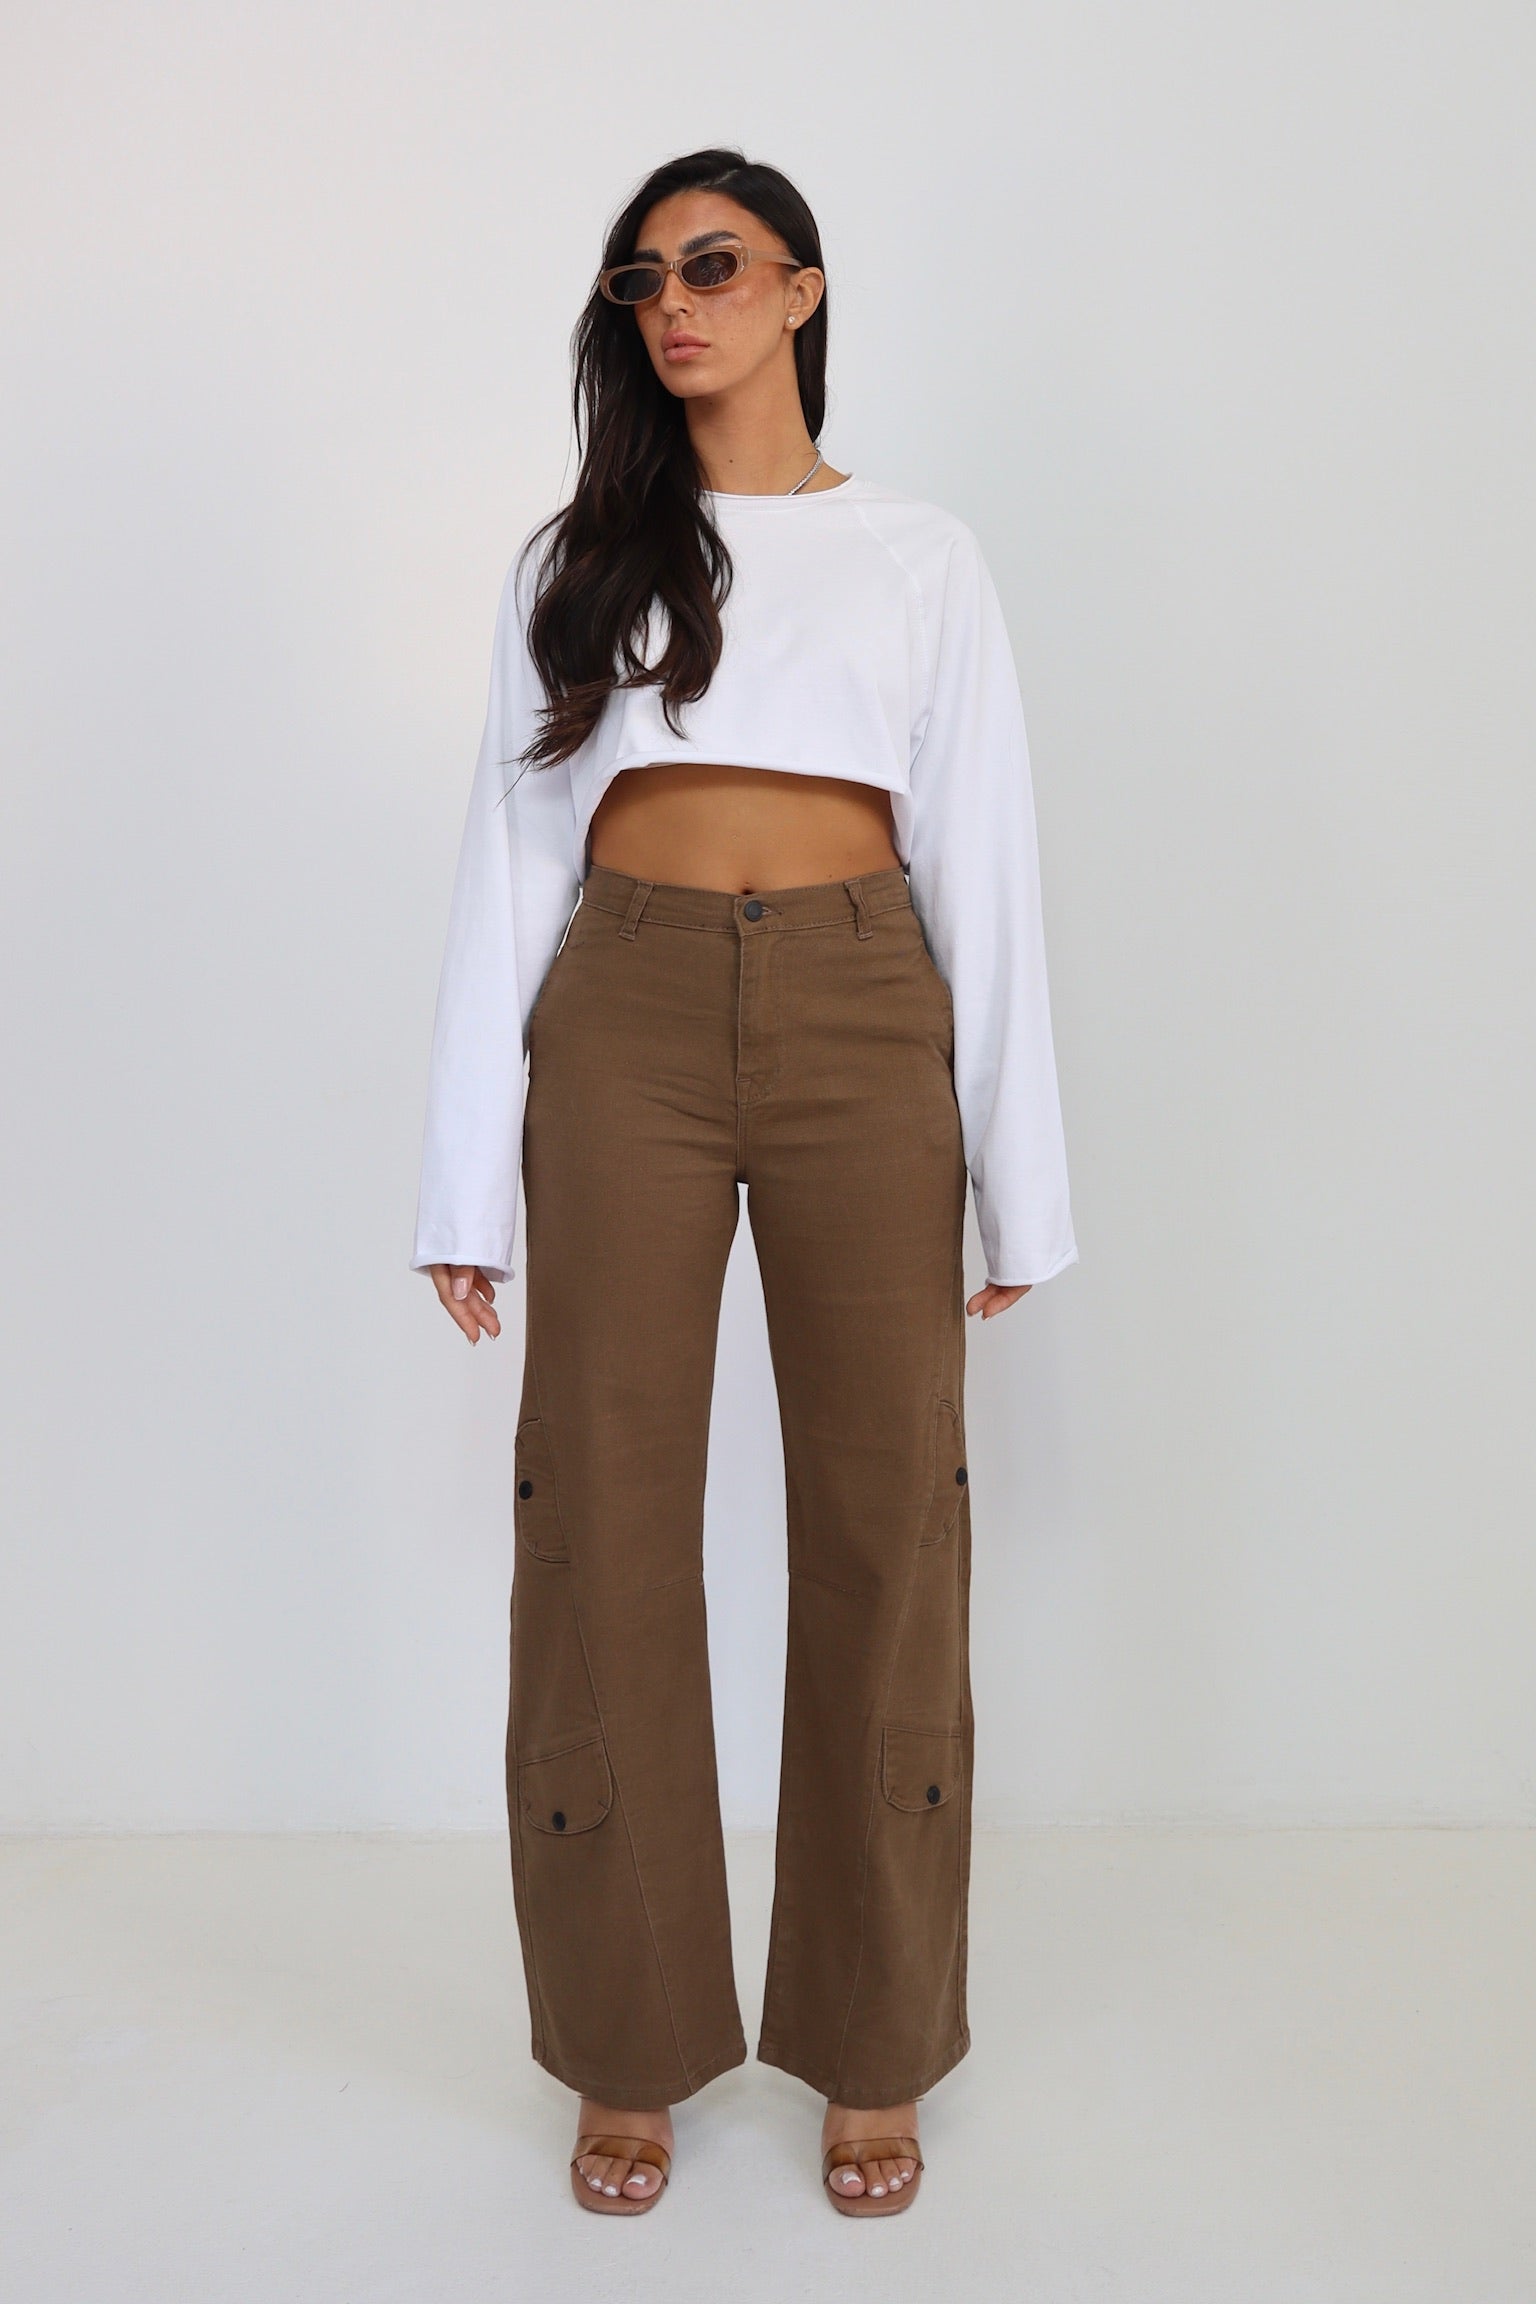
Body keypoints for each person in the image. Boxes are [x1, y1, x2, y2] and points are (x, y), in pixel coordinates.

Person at [411, 147, 1077, 2219]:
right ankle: (627, 2043)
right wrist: (462, 1185)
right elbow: (510, 857)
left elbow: (984, 849)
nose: (674, 303)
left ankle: (875, 2043)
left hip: (867, 1007)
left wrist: (1019, 1182)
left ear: (801, 288)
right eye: (642, 280)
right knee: (599, 1512)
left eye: (712, 265)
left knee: (890, 1515)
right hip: (622, 1008)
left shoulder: (919, 553)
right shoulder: (586, 556)